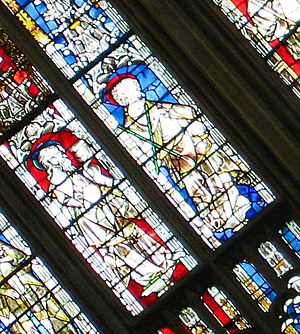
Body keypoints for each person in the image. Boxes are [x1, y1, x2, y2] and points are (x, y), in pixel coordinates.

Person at [103, 65, 264, 239]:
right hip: (179, 159)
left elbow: (187, 111)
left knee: (220, 177)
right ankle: (222, 217)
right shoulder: (131, 126)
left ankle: (238, 206)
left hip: (197, 146)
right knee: (200, 189)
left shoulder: (155, 106)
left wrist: (190, 124)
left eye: (136, 86)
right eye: (133, 89)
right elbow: (144, 150)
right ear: (123, 98)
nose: (139, 90)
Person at [27, 132, 185, 303]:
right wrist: (82, 200)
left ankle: (163, 258)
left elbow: (100, 179)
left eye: (61, 152)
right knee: (120, 246)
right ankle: (147, 273)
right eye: (58, 154)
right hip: (90, 219)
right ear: (50, 162)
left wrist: (107, 184)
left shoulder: (77, 170)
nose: (63, 154)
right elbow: (66, 201)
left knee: (135, 232)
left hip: (106, 206)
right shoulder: (56, 183)